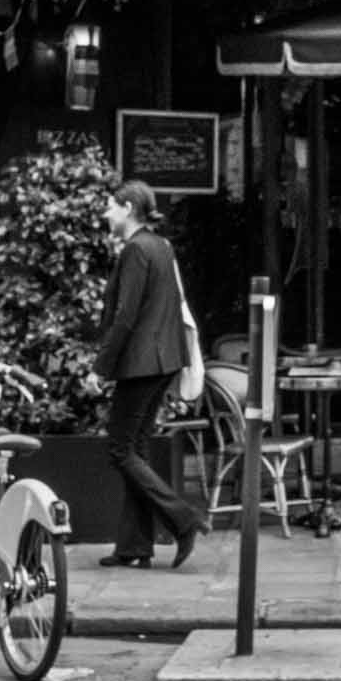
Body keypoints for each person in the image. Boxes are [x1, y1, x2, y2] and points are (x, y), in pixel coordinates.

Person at [91, 180, 208, 571]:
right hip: (163, 360)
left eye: (110, 206)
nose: (106, 213)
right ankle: (134, 546)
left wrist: (100, 368)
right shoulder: (161, 246)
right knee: (135, 450)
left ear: (127, 208)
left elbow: (126, 317)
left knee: (120, 449)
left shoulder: (137, 250)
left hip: (142, 363)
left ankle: (183, 519)